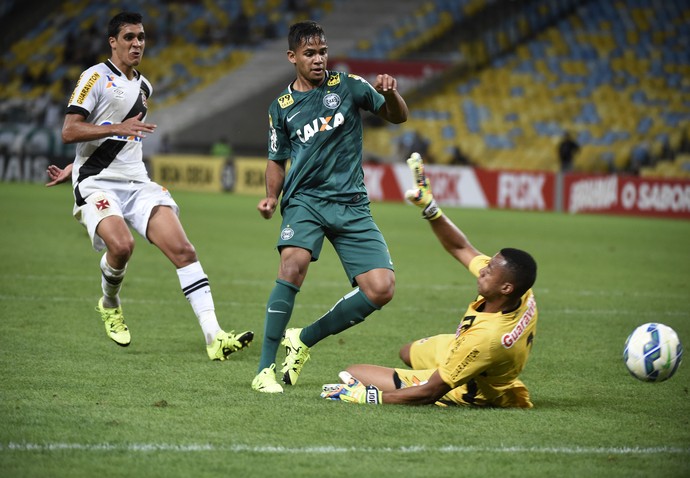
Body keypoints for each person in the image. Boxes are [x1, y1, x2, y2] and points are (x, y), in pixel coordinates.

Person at [45, 11, 253, 360]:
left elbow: (114, 141)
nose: (137, 43)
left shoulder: (145, 86)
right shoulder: (93, 77)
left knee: (184, 251)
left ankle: (215, 337)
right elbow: (69, 130)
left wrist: (77, 161)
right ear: (113, 42)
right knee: (123, 247)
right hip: (98, 184)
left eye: (141, 37)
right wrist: (109, 135)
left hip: (137, 183)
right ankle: (109, 303)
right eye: (129, 37)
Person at [252, 20, 409, 393]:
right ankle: (263, 371)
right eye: (310, 53)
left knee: (381, 287)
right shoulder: (281, 107)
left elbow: (398, 116)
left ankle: (303, 339)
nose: (319, 59)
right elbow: (276, 158)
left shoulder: (349, 86)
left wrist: (390, 94)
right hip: (305, 200)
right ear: (292, 57)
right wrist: (273, 197)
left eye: (323, 51)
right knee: (293, 264)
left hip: (352, 203)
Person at [321, 153, 538, 407]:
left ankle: (482, 395)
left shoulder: (486, 339)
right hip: (471, 351)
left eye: (489, 271)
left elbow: (430, 392)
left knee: (355, 374)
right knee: (407, 351)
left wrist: (367, 396)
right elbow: (461, 248)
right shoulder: (521, 292)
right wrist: (429, 206)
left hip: (471, 383)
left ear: (506, 287)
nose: (482, 270)